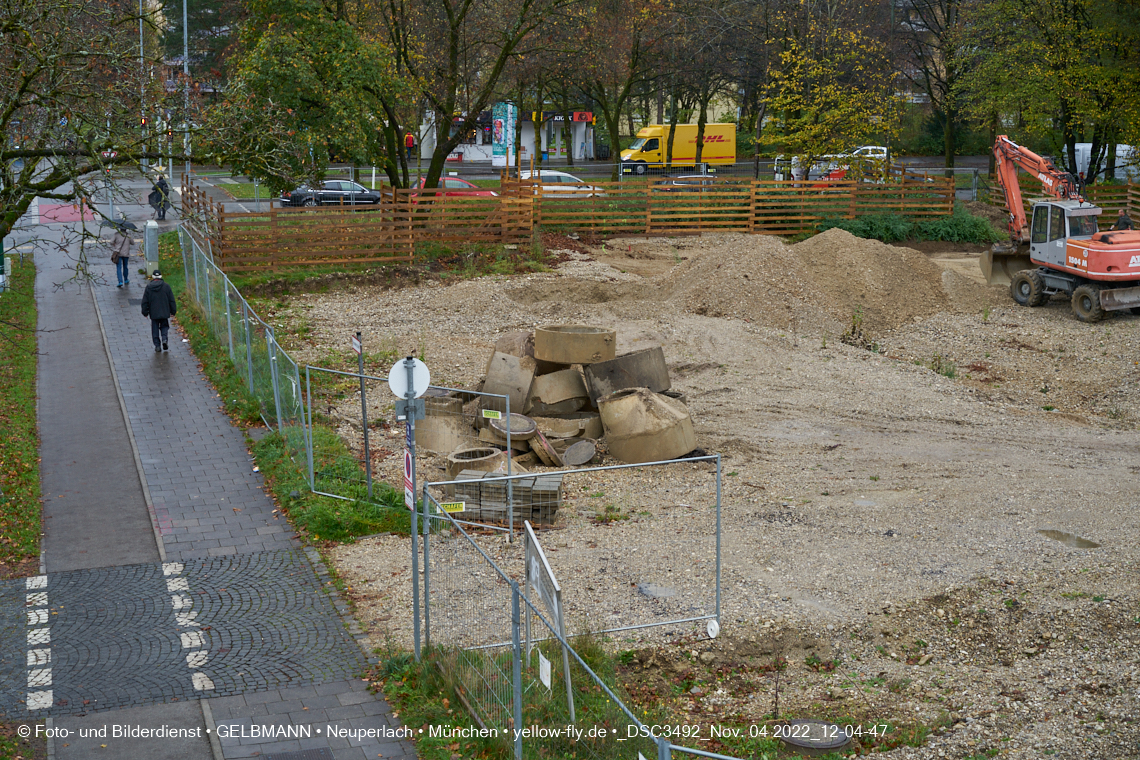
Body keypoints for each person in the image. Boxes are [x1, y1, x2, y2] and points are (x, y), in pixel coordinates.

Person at [141, 270, 177, 353]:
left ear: (153, 277)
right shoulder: (166, 286)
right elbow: (171, 300)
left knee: (155, 328)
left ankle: (157, 345)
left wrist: (145, 312)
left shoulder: (149, 287)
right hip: (164, 311)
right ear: (161, 276)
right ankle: (164, 339)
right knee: (164, 326)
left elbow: (145, 301)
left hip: (153, 312)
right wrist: (173, 311)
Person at [110, 222, 133, 288]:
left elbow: (111, 242)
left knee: (118, 267)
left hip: (118, 253)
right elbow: (133, 243)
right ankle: (126, 279)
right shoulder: (128, 235)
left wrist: (115, 245)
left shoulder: (116, 234)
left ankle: (120, 281)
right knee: (125, 266)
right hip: (126, 254)